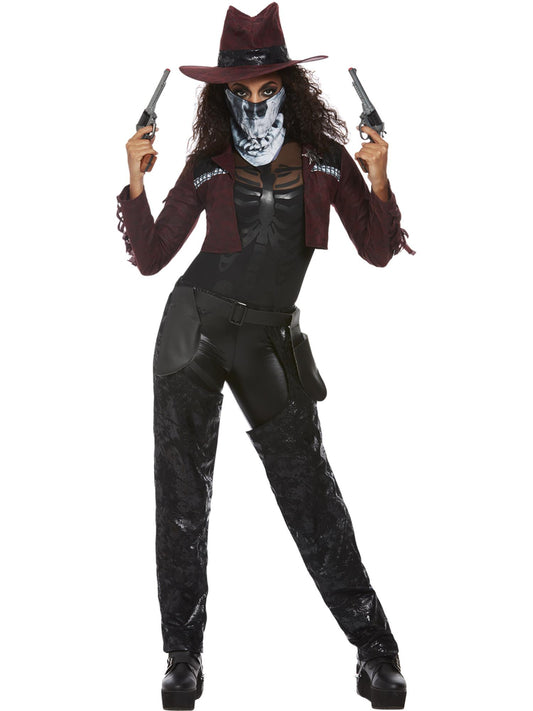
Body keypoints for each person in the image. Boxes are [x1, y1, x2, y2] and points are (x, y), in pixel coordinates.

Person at [116, 3, 414, 709]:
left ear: (290, 89)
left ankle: (376, 651)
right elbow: (152, 257)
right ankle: (182, 658)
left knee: (311, 494)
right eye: (241, 91)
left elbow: (377, 250)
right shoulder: (207, 167)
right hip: (191, 331)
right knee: (182, 498)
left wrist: (379, 176)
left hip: (268, 342)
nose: (254, 103)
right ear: (222, 97)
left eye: (267, 88)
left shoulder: (325, 161)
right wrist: (135, 180)